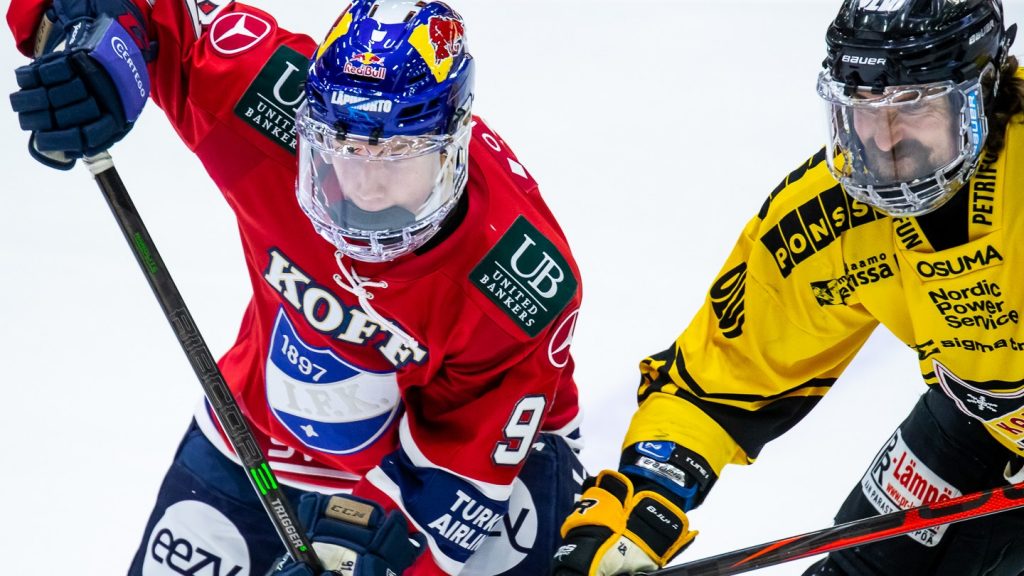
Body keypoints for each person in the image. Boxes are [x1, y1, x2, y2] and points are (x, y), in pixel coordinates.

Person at [7, 0, 586, 574]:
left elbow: (456, 488)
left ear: (452, 142)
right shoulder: (260, 95)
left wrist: (369, 556)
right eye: (344, 149)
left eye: (398, 153)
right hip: (258, 432)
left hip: (474, 470)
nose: (367, 187)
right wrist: (83, 36)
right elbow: (144, 10)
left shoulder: (515, 281)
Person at [551, 0, 1024, 575]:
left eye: (914, 104)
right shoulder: (826, 217)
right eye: (862, 107)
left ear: (985, 87)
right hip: (982, 421)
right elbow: (718, 381)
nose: (883, 141)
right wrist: (642, 507)